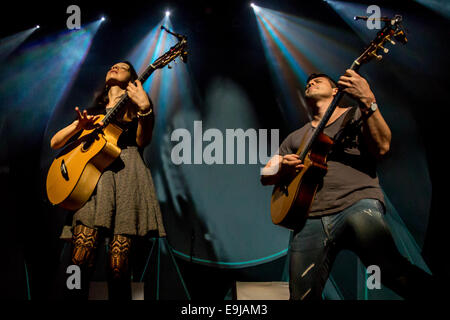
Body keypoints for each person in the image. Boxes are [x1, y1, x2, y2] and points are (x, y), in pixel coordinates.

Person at [260, 70, 436, 300]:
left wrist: (368, 101)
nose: (311, 82)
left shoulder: (355, 115)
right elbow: (265, 174)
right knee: (300, 295)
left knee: (390, 269)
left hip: (356, 203)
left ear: (336, 91)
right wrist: (281, 166)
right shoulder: (296, 137)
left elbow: (382, 147)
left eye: (318, 81)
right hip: (310, 218)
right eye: (308, 82)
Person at [50, 61, 166, 300]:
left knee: (119, 267)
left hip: (126, 176)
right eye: (111, 65)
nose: (114, 67)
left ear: (133, 78)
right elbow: (55, 143)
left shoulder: (137, 106)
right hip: (90, 182)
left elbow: (142, 142)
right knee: (79, 260)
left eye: (122, 67)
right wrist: (77, 126)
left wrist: (145, 108)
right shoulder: (93, 112)